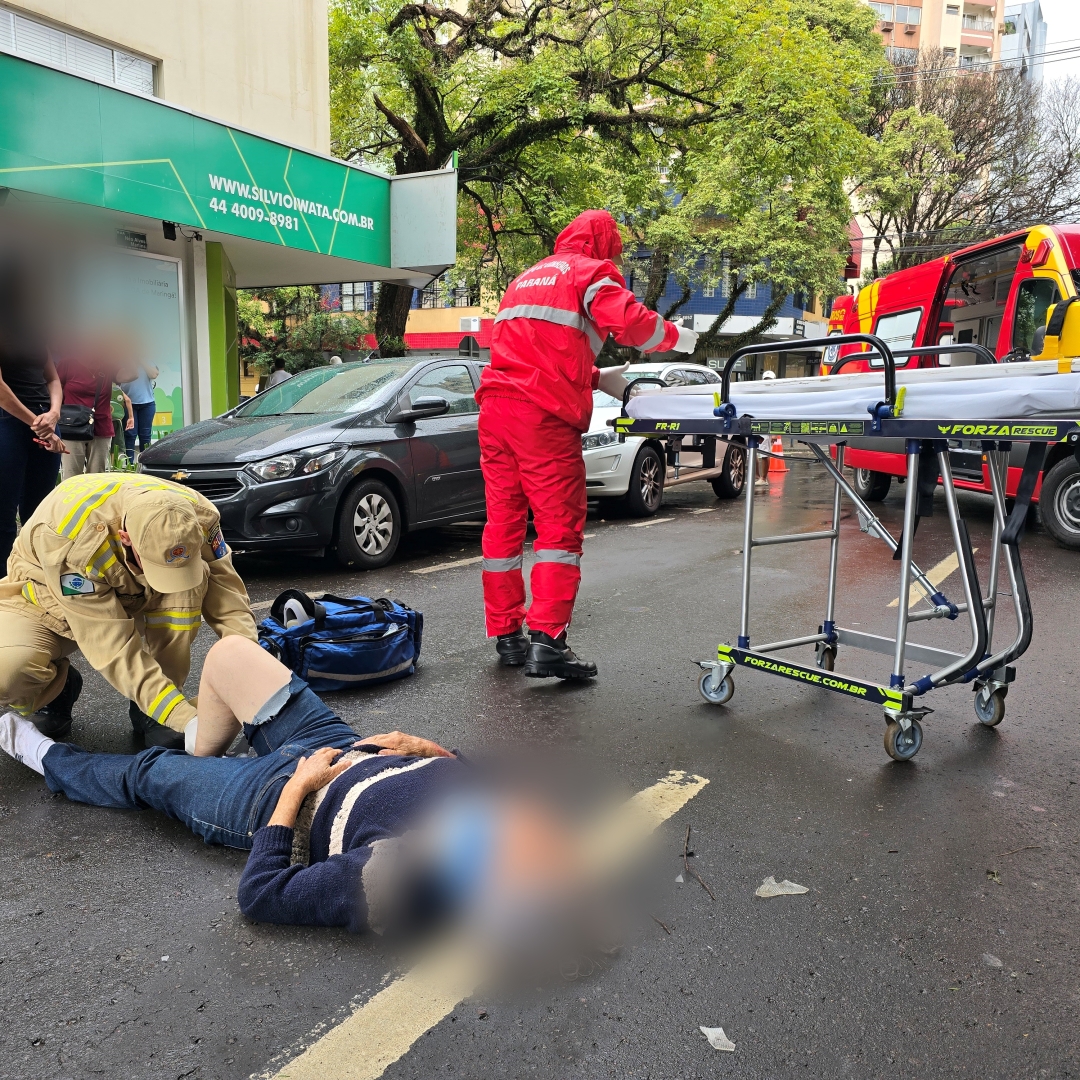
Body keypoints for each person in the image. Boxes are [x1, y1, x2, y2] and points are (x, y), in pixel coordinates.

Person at [0, 637, 580, 939]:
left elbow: (264, 893)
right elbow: (487, 772)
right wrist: (423, 746)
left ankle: (46, 757)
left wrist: (294, 789)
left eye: (536, 851)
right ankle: (201, 764)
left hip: (273, 796)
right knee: (229, 656)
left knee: (147, 772)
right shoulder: (497, 815)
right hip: (340, 743)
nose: (538, 824)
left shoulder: (398, 882)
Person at [476, 209, 698, 679]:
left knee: (503, 526)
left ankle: (508, 637)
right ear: (602, 245)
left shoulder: (526, 278)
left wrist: (597, 376)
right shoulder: (590, 272)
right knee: (558, 530)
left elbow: (531, 352)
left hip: (496, 411)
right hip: (542, 418)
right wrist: (679, 337)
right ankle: (549, 643)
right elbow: (633, 324)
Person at [0, 473, 257, 748]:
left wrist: (250, 666)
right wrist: (186, 719)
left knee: (191, 585)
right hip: (50, 591)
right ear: (126, 538)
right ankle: (55, 693)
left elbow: (227, 591)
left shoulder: (198, 516)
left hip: (130, 583)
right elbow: (112, 646)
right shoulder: (67, 542)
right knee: (8, 672)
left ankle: (156, 704)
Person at [56, 355, 117, 480]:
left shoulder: (108, 364)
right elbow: (55, 389)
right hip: (72, 427)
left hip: (101, 426)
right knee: (71, 477)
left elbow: (131, 375)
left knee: (97, 478)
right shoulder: (67, 362)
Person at [120, 361, 157, 463]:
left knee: (145, 435)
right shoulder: (122, 360)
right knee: (130, 435)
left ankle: (145, 465)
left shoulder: (148, 359)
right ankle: (130, 466)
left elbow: (153, 374)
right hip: (128, 403)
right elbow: (115, 380)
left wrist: (141, 360)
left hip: (147, 403)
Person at [755, 369, 777, 488]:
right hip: (757, 425)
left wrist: (774, 433)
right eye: (766, 380)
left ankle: (763, 478)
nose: (768, 382)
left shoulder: (775, 396)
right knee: (752, 453)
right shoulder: (759, 393)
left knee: (764, 453)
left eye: (770, 380)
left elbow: (776, 415)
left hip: (767, 427)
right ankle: (757, 477)